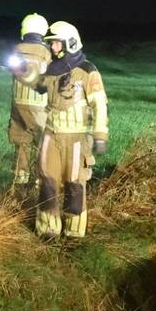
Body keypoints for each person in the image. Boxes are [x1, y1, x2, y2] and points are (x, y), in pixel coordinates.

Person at [34, 21, 109, 239]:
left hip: (76, 140)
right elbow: (37, 86)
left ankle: (74, 234)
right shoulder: (50, 70)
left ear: (70, 43)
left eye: (56, 43)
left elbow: (100, 104)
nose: (53, 48)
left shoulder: (87, 71)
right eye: (52, 44)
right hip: (51, 136)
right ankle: (47, 231)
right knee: (47, 183)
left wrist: (100, 136)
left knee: (75, 186)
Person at [7, 13, 52, 192]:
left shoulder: (16, 49)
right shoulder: (47, 52)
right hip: (40, 105)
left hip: (18, 104)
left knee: (21, 143)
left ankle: (19, 184)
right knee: (43, 145)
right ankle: (41, 184)